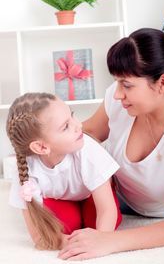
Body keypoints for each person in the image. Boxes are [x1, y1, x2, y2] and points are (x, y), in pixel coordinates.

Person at [59, 28, 164, 261]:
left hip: (156, 213)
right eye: (116, 83)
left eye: (127, 85)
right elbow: (89, 133)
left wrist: (109, 241)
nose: (117, 94)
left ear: (162, 82)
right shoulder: (121, 101)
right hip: (110, 196)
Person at [6, 92, 122, 251]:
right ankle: (75, 216)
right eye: (66, 126)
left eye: (72, 115)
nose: (79, 125)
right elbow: (38, 235)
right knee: (60, 228)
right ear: (41, 147)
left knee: (103, 223)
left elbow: (107, 210)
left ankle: (84, 215)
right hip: (62, 198)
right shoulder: (25, 169)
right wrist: (64, 242)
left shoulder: (87, 149)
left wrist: (98, 243)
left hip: (92, 196)